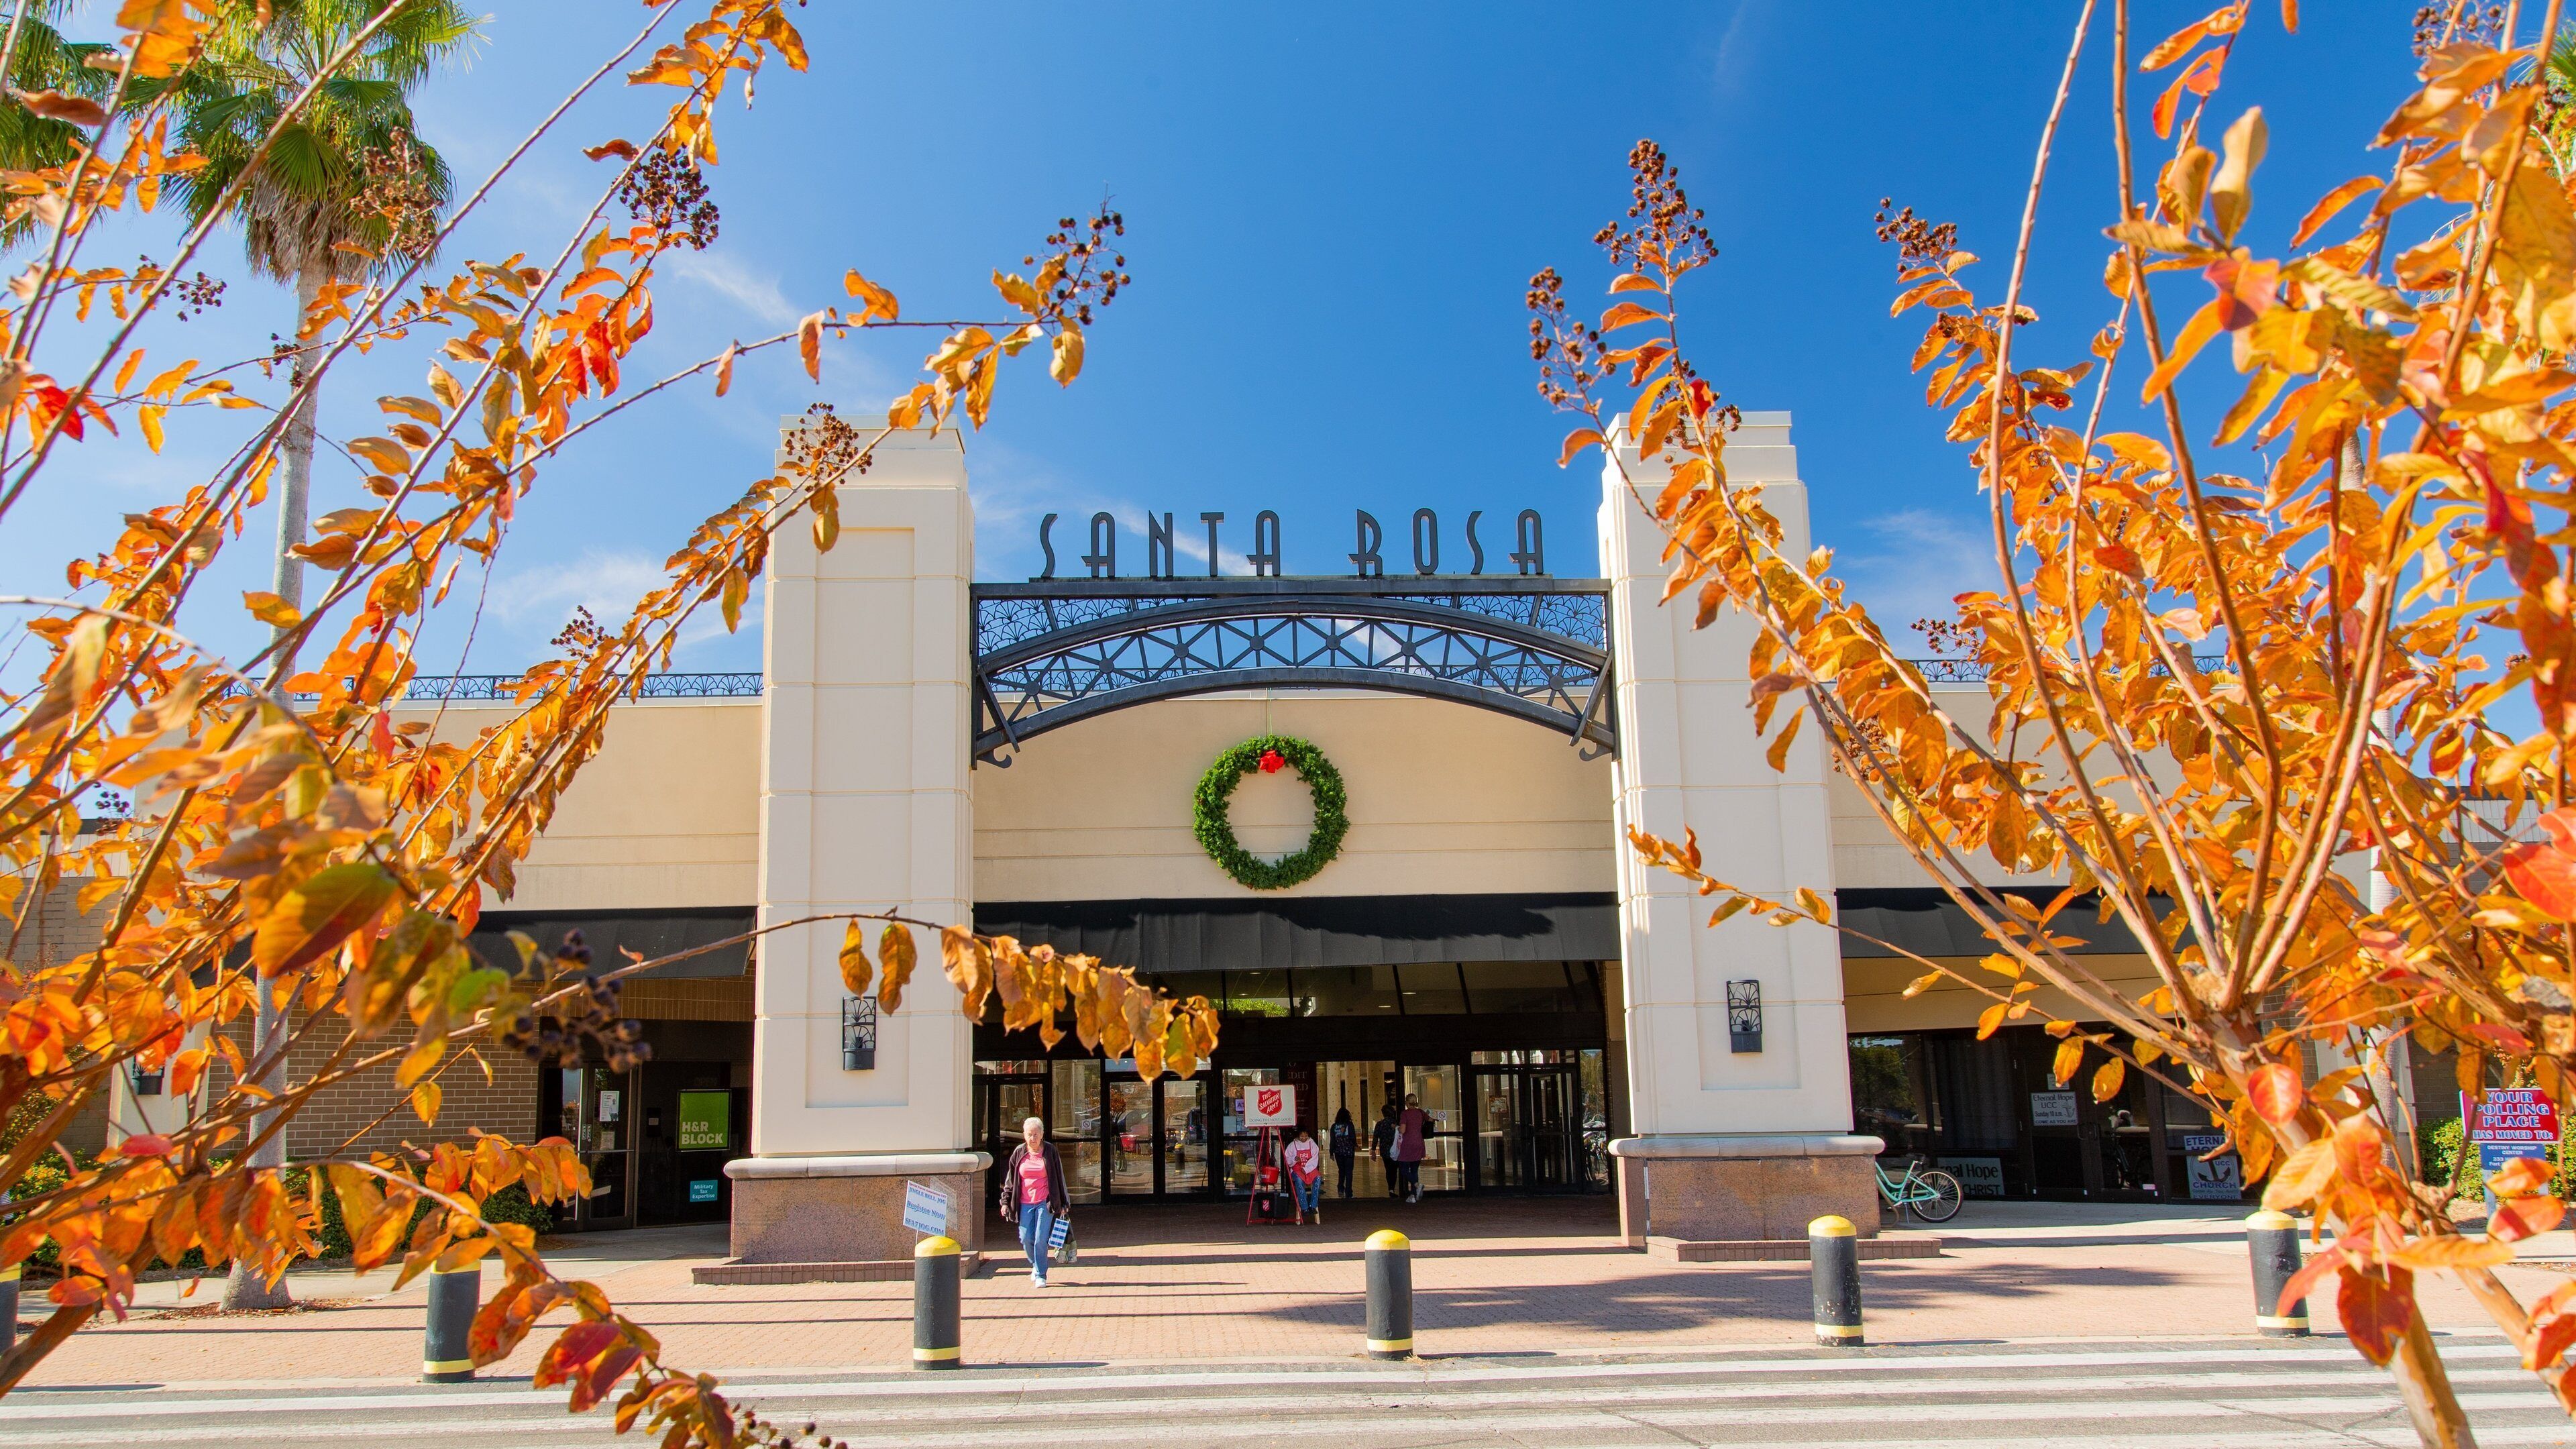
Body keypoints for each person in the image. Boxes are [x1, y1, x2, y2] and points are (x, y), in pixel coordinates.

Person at [998, 1115, 1069, 1287]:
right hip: (1025, 1202)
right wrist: (1005, 1202)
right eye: (1030, 1134)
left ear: (1042, 1134)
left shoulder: (1050, 1151)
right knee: (1025, 1238)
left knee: (1040, 1238)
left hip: (1045, 1202)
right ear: (1024, 1135)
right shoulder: (1019, 1153)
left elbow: (1059, 1177)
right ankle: (1035, 1264)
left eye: (1036, 1134)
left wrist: (1064, 1203)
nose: (1033, 1138)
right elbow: (1010, 1181)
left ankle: (1041, 1274)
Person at [1284, 1125, 1324, 1224]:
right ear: (1298, 1136)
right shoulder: (1292, 1145)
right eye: (1302, 1136)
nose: (1304, 1138)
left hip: (1310, 1169)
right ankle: (1304, 1207)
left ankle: (1313, 1205)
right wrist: (1294, 1159)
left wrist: (1306, 1169)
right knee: (1298, 1180)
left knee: (1318, 1178)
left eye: (1306, 1136)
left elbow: (1315, 1159)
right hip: (1297, 1170)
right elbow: (1287, 1159)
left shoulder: (1313, 1144)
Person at [1395, 1093, 1429, 1203]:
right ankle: (1413, 1195)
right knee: (1414, 1171)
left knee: (1404, 1169)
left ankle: (1417, 1185)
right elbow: (1430, 1119)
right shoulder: (1420, 1112)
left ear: (1407, 1102)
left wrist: (1396, 1128)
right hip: (1419, 1142)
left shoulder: (1405, 1114)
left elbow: (1403, 1130)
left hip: (1408, 1144)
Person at [1328, 1107, 1358, 1200]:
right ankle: (1349, 1192)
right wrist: (1355, 1145)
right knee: (1349, 1172)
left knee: (1341, 1171)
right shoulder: (1349, 1125)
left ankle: (1340, 1188)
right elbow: (1353, 1137)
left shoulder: (1334, 1126)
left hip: (1338, 1152)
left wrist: (1331, 1152)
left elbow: (1332, 1140)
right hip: (1349, 1152)